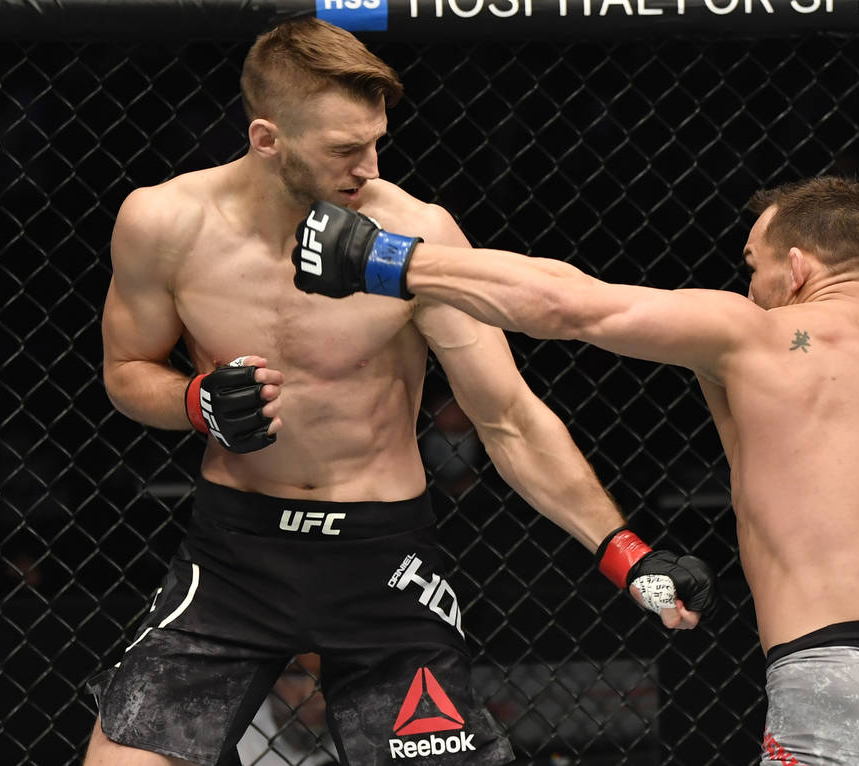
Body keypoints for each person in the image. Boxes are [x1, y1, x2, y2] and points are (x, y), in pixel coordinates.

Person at [88, 17, 715, 766]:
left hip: (381, 558)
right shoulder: (164, 222)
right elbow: (127, 373)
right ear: (266, 139)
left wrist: (625, 553)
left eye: (377, 141)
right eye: (345, 150)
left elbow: (506, 418)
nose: (371, 166)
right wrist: (195, 402)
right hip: (232, 555)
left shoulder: (413, 237)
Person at [292, 175, 859, 765]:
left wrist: (381, 257)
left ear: (796, 267)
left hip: (842, 682)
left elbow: (571, 305)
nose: (750, 283)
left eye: (753, 265)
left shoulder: (759, 335)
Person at [237, 653, 338, 766]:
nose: (310, 693)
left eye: (326, 677)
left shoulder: (355, 731)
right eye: (295, 675)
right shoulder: (240, 739)